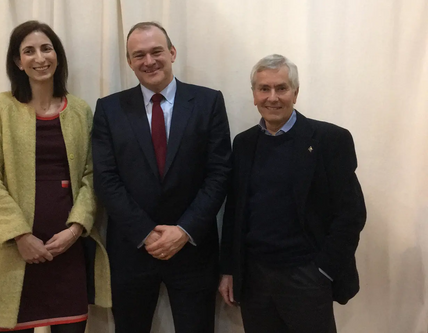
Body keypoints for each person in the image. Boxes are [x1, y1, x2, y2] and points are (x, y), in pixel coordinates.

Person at [92, 22, 231, 333]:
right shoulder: (108, 109)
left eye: (156, 51)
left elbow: (219, 173)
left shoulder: (208, 102)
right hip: (132, 250)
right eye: (138, 55)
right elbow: (106, 179)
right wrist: (145, 232)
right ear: (129, 62)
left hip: (193, 249)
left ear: (172, 52)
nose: (149, 61)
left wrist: (183, 230)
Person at [0, 20, 111, 332]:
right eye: (29, 51)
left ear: (58, 55)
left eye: (46, 48)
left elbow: (92, 175)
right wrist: (21, 236)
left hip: (67, 251)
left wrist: (75, 229)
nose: (40, 58)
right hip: (13, 253)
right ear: (17, 62)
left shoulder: (79, 110)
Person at [219, 54, 366, 333]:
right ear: (254, 95)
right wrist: (230, 269)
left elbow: (351, 214)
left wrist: (323, 271)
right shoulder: (243, 144)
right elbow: (235, 212)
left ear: (295, 93)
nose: (272, 97)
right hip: (255, 278)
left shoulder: (330, 140)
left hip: (306, 277)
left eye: (281, 88)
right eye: (264, 89)